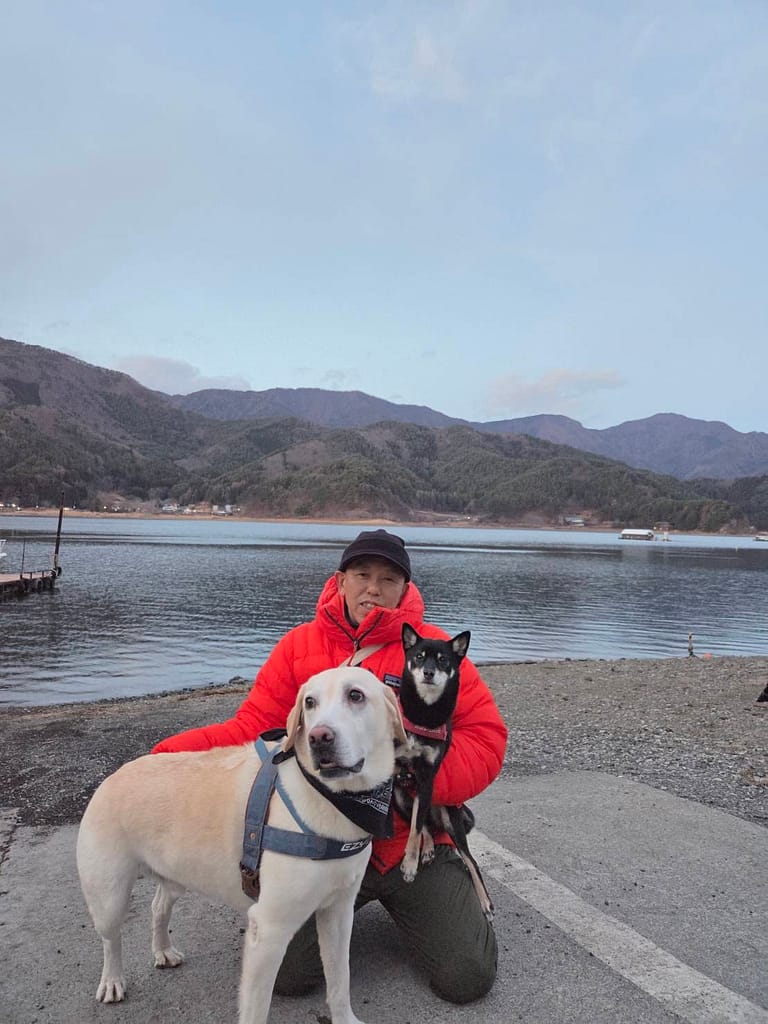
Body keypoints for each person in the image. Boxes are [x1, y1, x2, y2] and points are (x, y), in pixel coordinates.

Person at [153, 528, 508, 1004]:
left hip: (408, 843)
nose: (373, 589)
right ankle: (335, 906)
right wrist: (167, 758)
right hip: (321, 845)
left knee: (466, 976)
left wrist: (409, 776)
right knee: (287, 976)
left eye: (388, 579)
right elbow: (253, 728)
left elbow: (486, 739)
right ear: (340, 581)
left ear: (406, 588)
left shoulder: (434, 651)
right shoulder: (299, 647)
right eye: (361, 575)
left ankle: (427, 894)